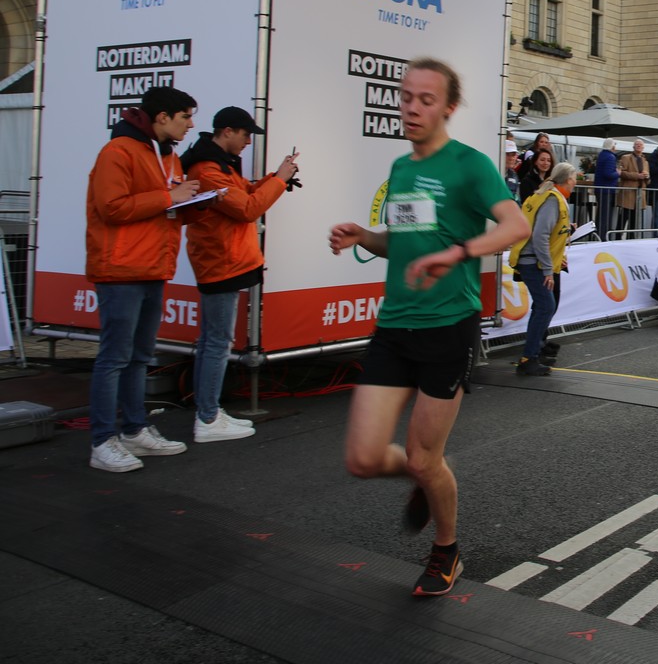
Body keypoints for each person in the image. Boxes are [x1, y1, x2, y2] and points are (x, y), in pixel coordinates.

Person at [328, 58, 530, 598]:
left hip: (448, 327)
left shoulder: (469, 165)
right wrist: (364, 237)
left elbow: (516, 225)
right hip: (395, 325)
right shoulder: (401, 169)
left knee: (422, 455)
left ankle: (447, 550)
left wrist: (458, 252)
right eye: (406, 97)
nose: (412, 108)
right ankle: (427, 472)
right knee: (363, 459)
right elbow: (402, 241)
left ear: (448, 107)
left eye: (425, 99)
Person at [86, 85, 201, 473]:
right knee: (115, 358)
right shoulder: (117, 151)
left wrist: (197, 204)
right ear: (162, 117)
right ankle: (102, 441)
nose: (190, 124)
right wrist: (171, 198)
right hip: (121, 270)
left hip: (153, 267)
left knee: (138, 357)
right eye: (185, 116)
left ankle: (134, 430)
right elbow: (111, 207)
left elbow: (163, 209)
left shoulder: (169, 156)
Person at [179, 106, 299, 443]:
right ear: (227, 131)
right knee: (217, 342)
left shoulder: (219, 164)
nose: (248, 141)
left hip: (224, 261)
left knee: (213, 340)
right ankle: (207, 417)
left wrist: (277, 177)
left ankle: (209, 412)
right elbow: (248, 208)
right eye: (245, 134)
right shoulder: (209, 169)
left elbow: (245, 192)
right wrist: (279, 179)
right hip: (221, 263)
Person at [508, 162, 576, 375]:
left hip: (530, 259)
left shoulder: (545, 196)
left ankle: (533, 352)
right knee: (546, 306)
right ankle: (529, 356)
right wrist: (548, 270)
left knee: (543, 306)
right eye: (574, 178)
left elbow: (546, 232)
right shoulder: (553, 199)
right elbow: (540, 236)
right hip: (533, 262)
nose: (575, 182)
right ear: (568, 180)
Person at [593, 139, 619, 241]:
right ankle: (603, 237)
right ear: (612, 147)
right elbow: (608, 174)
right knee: (605, 216)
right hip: (607, 189)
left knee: (601, 215)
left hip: (600, 188)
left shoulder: (601, 155)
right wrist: (618, 173)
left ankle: (598, 235)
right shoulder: (610, 157)